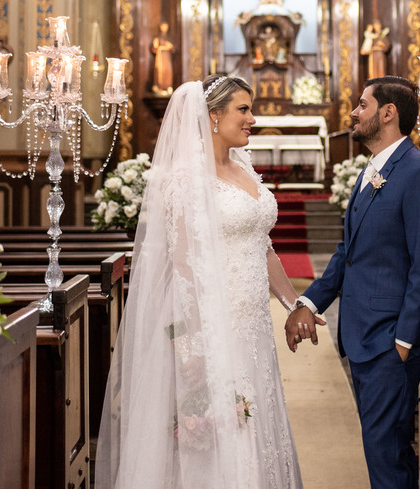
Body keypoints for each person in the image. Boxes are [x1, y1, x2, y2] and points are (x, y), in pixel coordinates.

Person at [95, 75, 305, 489]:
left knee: (257, 419)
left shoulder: (244, 168)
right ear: (213, 116)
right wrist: (191, 348)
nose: (253, 119)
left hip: (253, 327)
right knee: (219, 438)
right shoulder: (185, 181)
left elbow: (263, 249)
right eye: (243, 109)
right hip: (212, 326)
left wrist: (294, 303)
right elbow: (182, 269)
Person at [285, 76, 420, 489]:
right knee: (386, 450)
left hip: (390, 340)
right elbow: (349, 253)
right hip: (363, 336)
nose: (354, 113)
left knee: (385, 453)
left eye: (362, 104)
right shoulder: (372, 170)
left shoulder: (419, 173)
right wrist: (309, 302)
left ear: (388, 113)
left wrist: (403, 343)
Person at [150, 21, 176, 96]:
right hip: (160, 56)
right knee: (160, 70)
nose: (164, 28)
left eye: (165, 26)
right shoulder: (157, 37)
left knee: (168, 71)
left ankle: (168, 86)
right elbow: (154, 48)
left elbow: (173, 49)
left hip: (167, 57)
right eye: (163, 26)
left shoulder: (169, 38)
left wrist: (170, 46)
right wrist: (159, 46)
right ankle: (159, 87)